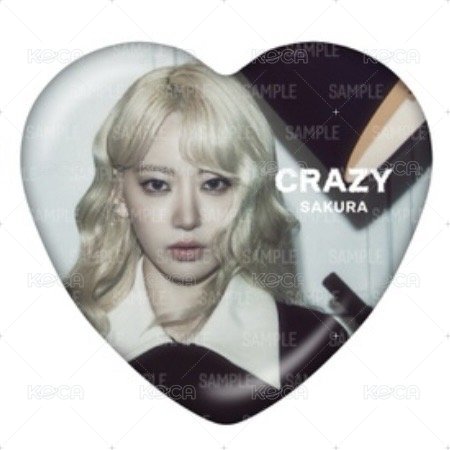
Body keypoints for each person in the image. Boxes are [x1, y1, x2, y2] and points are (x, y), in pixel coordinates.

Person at [64, 62, 348, 423]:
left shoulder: (317, 344)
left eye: (214, 184)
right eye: (157, 184)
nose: (187, 218)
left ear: (249, 193)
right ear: (118, 194)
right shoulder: (57, 328)